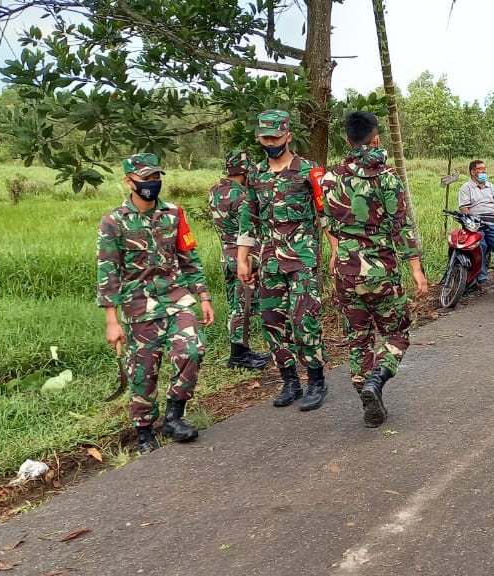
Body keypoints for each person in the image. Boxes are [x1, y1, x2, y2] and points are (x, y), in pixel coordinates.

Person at [98, 153, 215, 452]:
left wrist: (203, 296)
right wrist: (112, 322)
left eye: (155, 177)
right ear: (129, 181)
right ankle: (144, 428)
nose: (152, 183)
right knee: (143, 369)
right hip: (138, 304)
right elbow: (108, 272)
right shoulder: (113, 222)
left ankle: (174, 416)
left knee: (192, 349)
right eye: (145, 179)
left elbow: (190, 258)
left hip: (175, 296)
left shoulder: (174, 214)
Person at [320, 111, 430, 428]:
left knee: (358, 339)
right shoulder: (386, 177)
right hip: (379, 271)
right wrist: (416, 269)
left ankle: (369, 401)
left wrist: (337, 251)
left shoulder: (330, 178)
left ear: (346, 139)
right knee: (396, 334)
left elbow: (327, 219)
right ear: (376, 137)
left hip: (345, 271)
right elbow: (401, 226)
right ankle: (376, 383)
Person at [236, 110, 330, 412]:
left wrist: (336, 252)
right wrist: (242, 260)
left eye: (276, 137)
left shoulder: (309, 171)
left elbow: (324, 213)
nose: (271, 142)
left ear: (288, 135)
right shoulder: (255, 175)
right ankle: (290, 380)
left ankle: (316, 380)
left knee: (305, 319)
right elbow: (248, 219)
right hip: (269, 261)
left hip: (301, 259)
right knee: (272, 322)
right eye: (265, 138)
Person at [209, 149, 271, 371]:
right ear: (245, 171)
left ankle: (243, 351)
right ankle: (239, 355)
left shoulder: (215, 191)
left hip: (227, 254)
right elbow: (250, 228)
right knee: (243, 308)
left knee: (236, 305)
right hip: (244, 256)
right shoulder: (242, 196)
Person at [458, 159, 494, 292]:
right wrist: (471, 224)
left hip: (493, 224)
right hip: (477, 225)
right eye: (480, 169)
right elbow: (465, 208)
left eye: (485, 168)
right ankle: (482, 278)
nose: (484, 171)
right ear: (473, 172)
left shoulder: (491, 187)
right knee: (480, 248)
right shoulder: (466, 188)